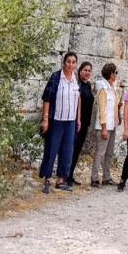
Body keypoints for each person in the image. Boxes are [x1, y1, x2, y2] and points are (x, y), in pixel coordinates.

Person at [39, 52, 81, 193]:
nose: (71, 64)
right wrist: (45, 118)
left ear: (76, 64)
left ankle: (61, 180)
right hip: (56, 119)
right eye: (68, 61)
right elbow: (47, 98)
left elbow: (78, 100)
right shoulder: (56, 77)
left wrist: (78, 119)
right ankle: (47, 180)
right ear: (64, 62)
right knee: (51, 149)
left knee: (67, 151)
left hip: (70, 121)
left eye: (73, 62)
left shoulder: (76, 79)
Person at [91, 63, 121, 188]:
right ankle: (94, 178)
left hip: (111, 125)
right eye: (116, 72)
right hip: (104, 126)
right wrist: (103, 127)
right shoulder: (103, 89)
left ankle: (106, 177)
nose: (117, 75)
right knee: (100, 152)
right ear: (111, 74)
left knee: (109, 153)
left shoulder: (111, 88)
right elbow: (101, 109)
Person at [67, 61, 94, 186]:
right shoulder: (76, 85)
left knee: (77, 150)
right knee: (72, 149)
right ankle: (66, 175)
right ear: (80, 71)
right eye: (85, 70)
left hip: (85, 122)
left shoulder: (88, 85)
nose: (87, 72)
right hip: (76, 122)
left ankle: (70, 175)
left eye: (89, 70)